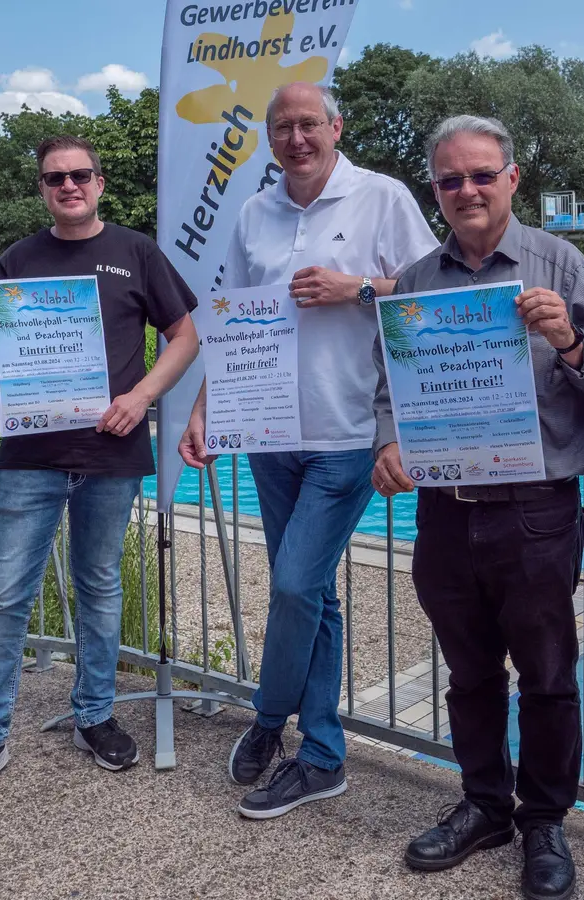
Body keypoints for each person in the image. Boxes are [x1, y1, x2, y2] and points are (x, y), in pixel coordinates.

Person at [370, 115, 584, 900]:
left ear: (512, 178)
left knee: (548, 675)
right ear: (436, 192)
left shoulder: (561, 262)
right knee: (469, 671)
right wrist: (387, 440)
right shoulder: (416, 281)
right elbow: (391, 382)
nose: (467, 191)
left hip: (537, 509)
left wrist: (572, 343)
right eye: (450, 180)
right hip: (446, 510)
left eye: (482, 175)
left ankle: (545, 821)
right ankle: (485, 803)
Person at [176, 82, 438, 820]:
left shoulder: (381, 198)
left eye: (308, 124)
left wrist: (358, 288)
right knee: (315, 593)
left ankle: (269, 715)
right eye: (282, 127)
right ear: (269, 137)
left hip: (348, 432)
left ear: (335, 127)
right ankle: (319, 751)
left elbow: (432, 294)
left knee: (294, 584)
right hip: (268, 433)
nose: (296, 138)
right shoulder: (255, 212)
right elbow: (232, 322)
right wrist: (205, 409)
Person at [0, 136, 200, 807]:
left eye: (79, 175)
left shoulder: (135, 252)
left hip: (112, 455)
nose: (68, 185)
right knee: (5, 598)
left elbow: (186, 337)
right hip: (30, 457)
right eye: (54, 178)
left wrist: (142, 398)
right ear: (42, 189)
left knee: (100, 588)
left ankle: (95, 717)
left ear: (100, 183)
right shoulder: (18, 260)